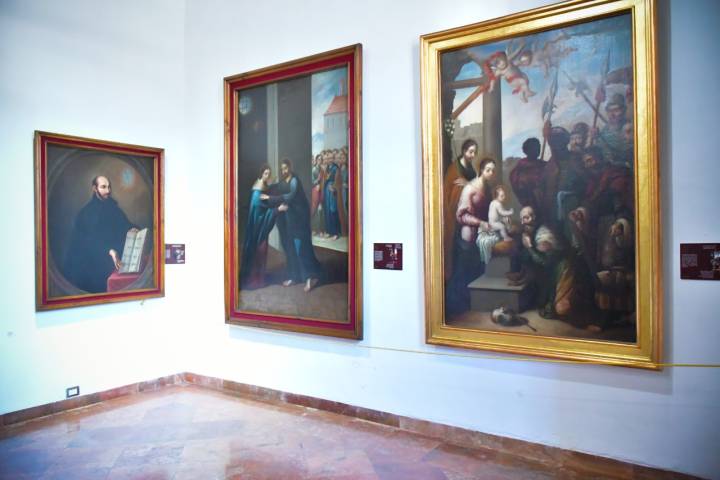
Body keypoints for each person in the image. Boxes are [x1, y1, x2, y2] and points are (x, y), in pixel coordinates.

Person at [63, 175, 138, 293]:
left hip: (112, 259)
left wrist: (132, 229)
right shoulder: (87, 213)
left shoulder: (112, 207)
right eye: (103, 187)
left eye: (109, 187)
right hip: (90, 264)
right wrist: (110, 251)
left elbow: (124, 224)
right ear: (94, 188)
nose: (108, 191)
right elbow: (90, 242)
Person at [263, 159, 322, 293]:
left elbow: (289, 197)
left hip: (300, 219)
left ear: (290, 167)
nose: (284, 171)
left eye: (286, 168)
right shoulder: (283, 182)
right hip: (291, 219)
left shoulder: (295, 181)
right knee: (290, 248)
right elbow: (277, 187)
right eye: (282, 169)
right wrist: (265, 187)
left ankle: (309, 278)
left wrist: (271, 198)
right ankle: (294, 276)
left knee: (301, 247)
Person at [443, 139, 478, 279]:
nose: (473, 155)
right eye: (470, 152)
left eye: (474, 152)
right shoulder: (454, 169)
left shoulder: (470, 168)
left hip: (468, 212)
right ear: (464, 151)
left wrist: (468, 184)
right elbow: (451, 192)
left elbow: (475, 187)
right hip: (455, 213)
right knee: (458, 247)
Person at [240, 165, 279, 289]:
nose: (268, 176)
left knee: (261, 251)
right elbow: (261, 212)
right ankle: (255, 280)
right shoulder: (257, 192)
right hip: (258, 228)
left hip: (259, 227)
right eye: (266, 173)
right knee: (259, 251)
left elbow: (265, 202)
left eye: (269, 174)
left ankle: (259, 279)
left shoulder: (261, 187)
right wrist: (276, 210)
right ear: (261, 174)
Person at [509, 137, 545, 214]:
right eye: (535, 147)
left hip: (544, 203)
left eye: (539, 146)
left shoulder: (543, 165)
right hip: (529, 204)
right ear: (528, 150)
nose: (538, 149)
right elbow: (518, 184)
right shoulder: (521, 168)